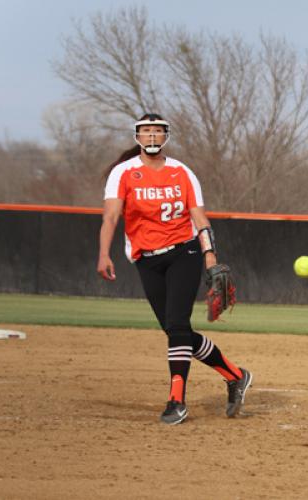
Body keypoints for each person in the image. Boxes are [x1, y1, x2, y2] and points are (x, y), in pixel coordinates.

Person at [97, 113, 252, 425]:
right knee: (175, 331)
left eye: (157, 131)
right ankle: (236, 375)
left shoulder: (182, 172)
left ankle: (176, 401)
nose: (152, 136)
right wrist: (103, 253)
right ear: (137, 136)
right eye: (146, 131)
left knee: (178, 326)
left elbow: (200, 219)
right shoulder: (123, 173)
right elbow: (111, 217)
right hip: (146, 258)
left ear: (166, 135)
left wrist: (209, 256)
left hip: (185, 250)